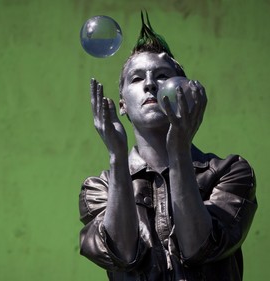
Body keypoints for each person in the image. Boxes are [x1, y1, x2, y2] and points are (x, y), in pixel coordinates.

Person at [79, 12, 257, 281]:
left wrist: (180, 151)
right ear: (123, 104)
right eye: (137, 79)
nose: (150, 84)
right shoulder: (99, 188)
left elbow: (198, 246)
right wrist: (116, 156)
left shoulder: (231, 172)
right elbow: (122, 254)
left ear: (182, 90)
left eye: (162, 75)